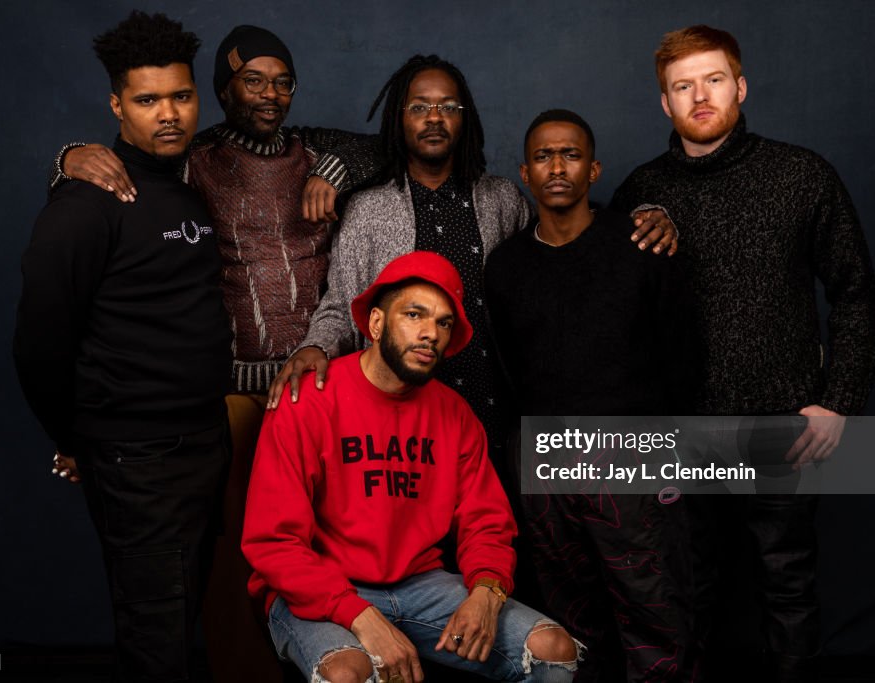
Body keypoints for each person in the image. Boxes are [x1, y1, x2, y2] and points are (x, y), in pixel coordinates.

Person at [53, 25, 384, 681]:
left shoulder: (312, 150)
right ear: (224, 88)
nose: (270, 94)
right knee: (237, 552)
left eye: (282, 80)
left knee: (330, 542)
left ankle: (336, 668)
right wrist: (66, 157)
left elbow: (387, 146)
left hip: (315, 385)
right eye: (253, 80)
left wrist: (333, 173)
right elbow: (120, 166)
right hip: (229, 391)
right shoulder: (192, 157)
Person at [610, 25, 875, 682]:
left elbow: (854, 292)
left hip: (784, 426)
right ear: (664, 103)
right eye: (682, 86)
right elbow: (617, 316)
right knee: (687, 593)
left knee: (787, 588)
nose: (699, 96)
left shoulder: (802, 174)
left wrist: (838, 402)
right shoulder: (641, 191)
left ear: (741, 86)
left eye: (713, 79)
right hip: (684, 430)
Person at [270, 55, 676, 472]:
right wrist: (315, 346)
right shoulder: (367, 210)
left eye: (448, 107)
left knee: (497, 531)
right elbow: (341, 303)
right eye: (419, 107)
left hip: (497, 413)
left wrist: (645, 215)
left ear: (465, 119)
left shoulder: (501, 200)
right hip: (403, 423)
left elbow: (563, 241)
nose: (434, 118)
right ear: (399, 118)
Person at [244, 251, 582, 683]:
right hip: (320, 584)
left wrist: (487, 589)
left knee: (553, 650)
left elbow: (487, 521)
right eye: (415, 315)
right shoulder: (308, 400)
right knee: (349, 672)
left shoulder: (455, 414)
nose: (430, 334)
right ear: (378, 323)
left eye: (443, 323)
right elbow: (274, 542)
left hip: (419, 584)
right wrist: (359, 615)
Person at [13, 12, 231, 681]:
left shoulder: (185, 182)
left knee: (185, 619)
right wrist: (77, 438)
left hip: (203, 443)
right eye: (147, 100)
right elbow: (38, 345)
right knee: (156, 638)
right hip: (138, 462)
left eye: (181, 96)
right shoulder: (86, 201)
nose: (168, 114)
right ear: (116, 105)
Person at [484, 109, 699, 682]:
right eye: (544, 156)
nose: (558, 166)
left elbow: (682, 360)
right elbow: (507, 371)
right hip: (546, 465)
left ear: (594, 169)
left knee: (653, 611)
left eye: (571, 155)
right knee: (570, 618)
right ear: (525, 174)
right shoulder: (504, 267)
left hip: (632, 462)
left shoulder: (641, 250)